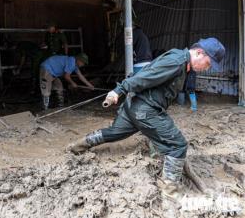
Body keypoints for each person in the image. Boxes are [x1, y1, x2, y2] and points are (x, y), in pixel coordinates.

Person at [68, 38, 225, 201]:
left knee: (115, 133)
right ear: (200, 53)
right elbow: (146, 76)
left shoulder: (182, 63)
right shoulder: (176, 61)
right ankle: (170, 193)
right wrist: (119, 90)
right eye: (208, 63)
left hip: (134, 106)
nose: (207, 68)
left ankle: (77, 146)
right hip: (145, 109)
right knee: (178, 144)